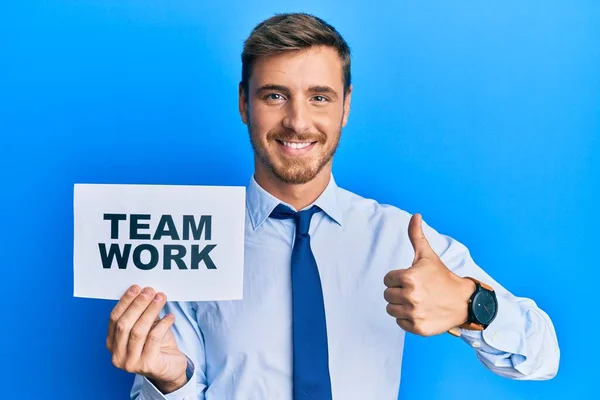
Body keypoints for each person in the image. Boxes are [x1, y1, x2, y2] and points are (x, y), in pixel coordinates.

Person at [105, 12, 560, 400]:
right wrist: (168, 380)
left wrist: (469, 303)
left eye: (319, 97)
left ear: (345, 108)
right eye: (274, 95)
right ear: (244, 103)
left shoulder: (399, 237)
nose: (298, 121)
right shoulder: (190, 241)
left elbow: (543, 357)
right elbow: (174, 384)